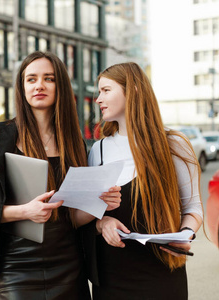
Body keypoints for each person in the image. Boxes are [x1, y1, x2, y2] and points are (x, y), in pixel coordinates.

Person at [0, 51, 121, 299]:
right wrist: (24, 211)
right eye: (31, 79)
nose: (39, 85)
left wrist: (100, 204)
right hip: (17, 266)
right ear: (22, 87)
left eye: (48, 78)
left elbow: (71, 216)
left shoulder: (74, 144)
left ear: (59, 85)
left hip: (69, 264)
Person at [84, 62, 203, 299]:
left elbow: (193, 207)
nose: (98, 99)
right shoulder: (98, 150)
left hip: (163, 276)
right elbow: (86, 214)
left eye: (106, 90)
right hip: (111, 279)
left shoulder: (174, 145)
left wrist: (186, 234)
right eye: (99, 92)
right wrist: (102, 223)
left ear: (134, 91)